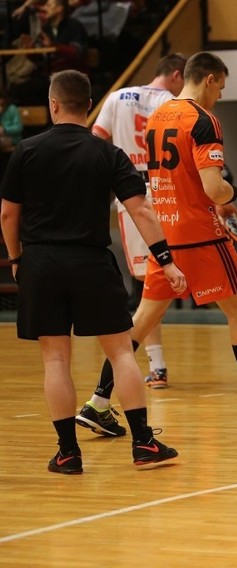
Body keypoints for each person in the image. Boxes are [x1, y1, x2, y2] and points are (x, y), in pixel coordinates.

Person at [79, 51, 237, 437]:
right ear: (208, 79)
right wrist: (231, 190)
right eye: (221, 87)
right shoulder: (204, 120)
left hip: (165, 235)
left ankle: (98, 403)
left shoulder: (158, 117)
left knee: (142, 319)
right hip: (201, 235)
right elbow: (214, 188)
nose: (221, 95)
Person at [0, 69, 183, 473]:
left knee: (55, 361)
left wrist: (17, 258)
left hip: (42, 263)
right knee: (121, 352)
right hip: (91, 262)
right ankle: (143, 446)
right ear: (88, 106)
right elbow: (141, 210)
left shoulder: (26, 151)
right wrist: (165, 259)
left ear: (52, 104)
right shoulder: (107, 153)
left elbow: (8, 213)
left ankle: (68, 453)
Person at [90, 52, 186, 391]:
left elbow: (95, 142)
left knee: (150, 283)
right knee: (161, 283)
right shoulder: (176, 103)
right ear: (177, 75)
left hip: (131, 197)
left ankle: (156, 366)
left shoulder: (117, 97)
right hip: (168, 193)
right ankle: (152, 365)